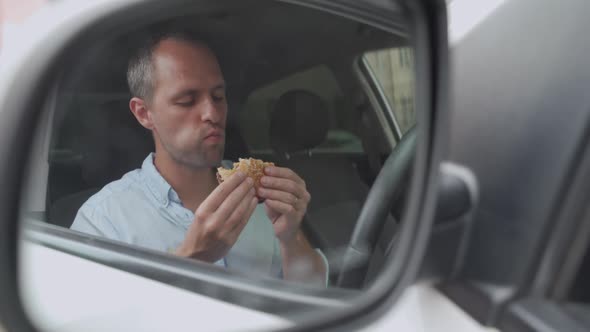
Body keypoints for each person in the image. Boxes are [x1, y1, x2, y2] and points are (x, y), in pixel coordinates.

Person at [70, 31, 328, 285]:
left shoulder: (264, 195)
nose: (212, 113)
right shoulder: (103, 221)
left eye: (218, 96)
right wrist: (192, 258)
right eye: (186, 100)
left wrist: (290, 237)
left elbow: (314, 298)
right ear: (144, 113)